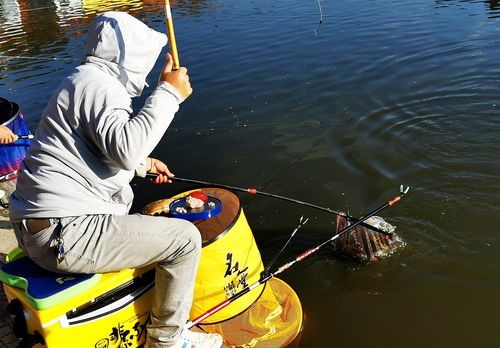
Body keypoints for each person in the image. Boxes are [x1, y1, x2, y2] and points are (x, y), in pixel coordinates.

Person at [9, 11, 222, 348]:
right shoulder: (101, 87)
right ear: (131, 58)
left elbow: (99, 147)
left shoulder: (82, 80)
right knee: (184, 238)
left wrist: (143, 164)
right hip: (64, 236)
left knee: (150, 222)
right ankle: (168, 340)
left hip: (39, 229)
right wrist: (168, 94)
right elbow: (123, 147)